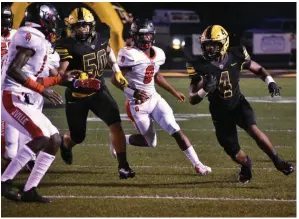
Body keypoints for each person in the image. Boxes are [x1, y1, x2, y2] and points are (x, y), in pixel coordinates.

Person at [1, 3, 93, 203]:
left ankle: (29, 189)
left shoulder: (37, 39)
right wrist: (43, 91)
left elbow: (34, 78)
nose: (55, 25)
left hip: (22, 96)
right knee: (40, 137)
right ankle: (4, 181)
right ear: (45, 18)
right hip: (12, 97)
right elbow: (14, 71)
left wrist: (62, 79)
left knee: (54, 140)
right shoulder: (30, 36)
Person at [187, 25, 295, 183]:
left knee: (253, 129)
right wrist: (204, 90)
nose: (209, 49)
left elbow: (257, 68)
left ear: (223, 43)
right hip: (219, 112)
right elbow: (192, 98)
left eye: (213, 45)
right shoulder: (198, 65)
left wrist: (270, 82)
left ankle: (278, 162)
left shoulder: (237, 54)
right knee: (233, 151)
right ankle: (246, 165)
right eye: (207, 45)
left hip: (238, 103)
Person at [111, 19, 211, 175]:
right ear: (134, 36)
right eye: (141, 36)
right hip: (137, 104)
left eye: (148, 36)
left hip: (155, 99)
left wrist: (173, 91)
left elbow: (156, 75)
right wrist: (133, 92)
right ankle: (121, 141)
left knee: (174, 128)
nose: (145, 39)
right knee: (151, 142)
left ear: (153, 36)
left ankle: (198, 164)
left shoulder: (158, 54)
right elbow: (115, 79)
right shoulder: (128, 54)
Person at [56, 7, 135, 179]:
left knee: (116, 124)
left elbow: (107, 50)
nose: (81, 29)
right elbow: (59, 76)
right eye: (77, 26)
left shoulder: (102, 34)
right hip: (77, 96)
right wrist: (77, 81)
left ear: (91, 26)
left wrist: (116, 70)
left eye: (84, 26)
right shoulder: (68, 45)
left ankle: (123, 166)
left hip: (99, 89)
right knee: (78, 136)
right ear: (72, 28)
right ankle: (66, 143)